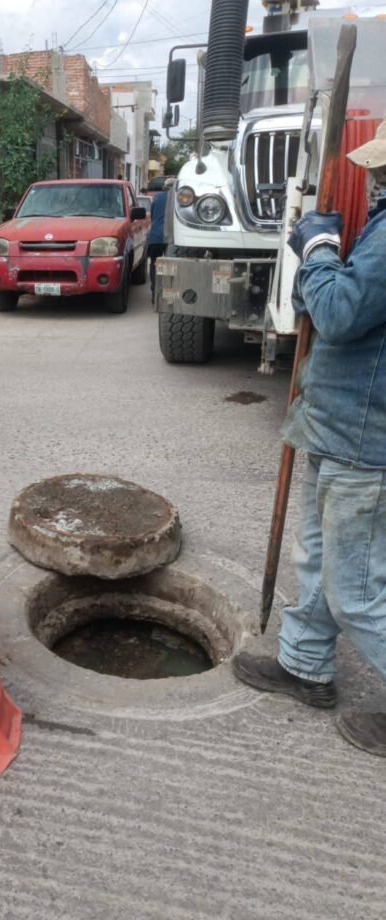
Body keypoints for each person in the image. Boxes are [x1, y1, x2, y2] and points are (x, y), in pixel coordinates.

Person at [232, 118, 386, 757]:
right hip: (339, 423)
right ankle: (305, 666)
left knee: (353, 585)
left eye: (379, 172)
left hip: (363, 434)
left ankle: (308, 662)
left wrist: (320, 249)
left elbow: (340, 314)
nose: (373, 181)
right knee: (318, 558)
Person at [146, 178, 174, 301]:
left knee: (154, 264)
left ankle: (155, 293)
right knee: (171, 266)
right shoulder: (179, 198)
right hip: (172, 238)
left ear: (164, 187)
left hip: (155, 236)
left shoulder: (157, 197)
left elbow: (153, 217)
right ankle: (168, 294)